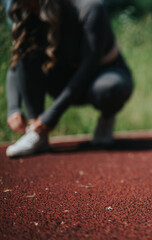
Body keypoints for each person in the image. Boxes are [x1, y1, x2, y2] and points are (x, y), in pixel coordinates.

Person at [5, 0, 133, 158]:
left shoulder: (91, 8)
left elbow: (88, 67)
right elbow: (17, 60)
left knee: (110, 89)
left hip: (100, 77)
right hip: (62, 79)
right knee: (27, 53)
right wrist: (13, 109)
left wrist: (51, 116)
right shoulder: (26, 10)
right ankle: (38, 134)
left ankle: (107, 118)